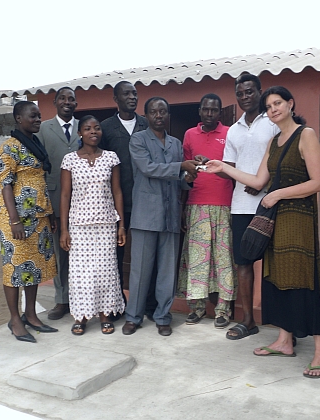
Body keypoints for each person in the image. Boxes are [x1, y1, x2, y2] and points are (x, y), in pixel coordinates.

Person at [205, 86, 320, 379]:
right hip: (276, 222)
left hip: (298, 221)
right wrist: (223, 167)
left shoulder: (306, 135)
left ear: (290, 104)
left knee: (304, 280)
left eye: (278, 103)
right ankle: (285, 341)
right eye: (269, 106)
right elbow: (258, 180)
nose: (274, 109)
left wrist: (277, 194)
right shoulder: (274, 142)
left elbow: (319, 182)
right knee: (278, 279)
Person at [122, 97, 198, 336]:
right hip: (145, 215)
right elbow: (148, 168)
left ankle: (163, 316)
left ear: (168, 115)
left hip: (170, 214)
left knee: (167, 271)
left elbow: (180, 180)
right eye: (154, 112)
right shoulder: (138, 139)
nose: (158, 116)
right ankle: (133, 317)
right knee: (140, 271)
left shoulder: (176, 143)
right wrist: (181, 167)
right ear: (146, 116)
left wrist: (189, 176)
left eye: (163, 112)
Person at [219, 73, 279, 340]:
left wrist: (263, 182)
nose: (244, 97)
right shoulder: (234, 130)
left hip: (270, 203)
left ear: (260, 91)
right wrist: (213, 167)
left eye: (249, 92)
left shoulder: (273, 121)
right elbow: (229, 168)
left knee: (275, 263)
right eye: (240, 94)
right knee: (243, 263)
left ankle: (281, 323)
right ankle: (248, 321)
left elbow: (282, 159)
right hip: (241, 205)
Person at [0, 101, 58, 343]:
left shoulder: (34, 144)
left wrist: (49, 214)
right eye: (33, 116)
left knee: (34, 267)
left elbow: (40, 182)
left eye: (39, 115)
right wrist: (14, 221)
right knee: (15, 268)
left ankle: (31, 315)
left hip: (39, 216)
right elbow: (6, 185)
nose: (38, 119)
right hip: (17, 219)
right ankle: (15, 320)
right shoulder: (8, 148)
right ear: (19, 119)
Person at [59, 115, 126, 335]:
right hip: (79, 226)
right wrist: (64, 230)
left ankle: (105, 314)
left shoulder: (111, 158)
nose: (93, 132)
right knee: (81, 274)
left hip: (106, 224)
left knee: (106, 270)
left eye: (97, 128)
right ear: (80, 133)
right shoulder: (69, 160)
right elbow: (65, 195)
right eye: (88, 128)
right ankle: (81, 316)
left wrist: (121, 225)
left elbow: (117, 192)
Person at [177, 93, 236, 328]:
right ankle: (197, 308)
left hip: (224, 204)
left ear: (220, 112)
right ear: (200, 111)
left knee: (223, 260)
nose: (210, 113)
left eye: (214, 110)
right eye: (206, 109)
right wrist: (183, 207)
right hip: (196, 204)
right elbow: (185, 173)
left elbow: (235, 167)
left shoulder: (230, 133)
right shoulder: (189, 135)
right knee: (197, 260)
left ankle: (223, 310)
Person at [99, 81, 157, 319]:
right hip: (117, 203)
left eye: (135, 93)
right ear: (116, 99)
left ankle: (150, 305)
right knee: (116, 255)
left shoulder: (147, 124)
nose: (132, 97)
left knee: (148, 254)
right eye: (127, 94)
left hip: (146, 200)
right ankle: (117, 303)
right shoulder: (106, 128)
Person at [38, 87, 79, 321]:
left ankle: (82, 298)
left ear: (76, 104)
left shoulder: (84, 127)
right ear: (54, 102)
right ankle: (62, 300)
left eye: (71, 99)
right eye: (62, 98)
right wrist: (46, 207)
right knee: (60, 252)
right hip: (55, 200)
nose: (67, 102)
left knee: (82, 251)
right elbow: (40, 168)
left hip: (83, 200)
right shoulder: (44, 129)